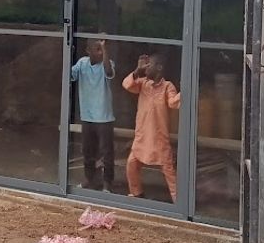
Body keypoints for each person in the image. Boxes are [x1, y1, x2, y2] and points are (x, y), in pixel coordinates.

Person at [122, 54, 181, 203]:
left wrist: (186, 89)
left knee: (169, 171)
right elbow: (127, 85)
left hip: (159, 137)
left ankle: (179, 202)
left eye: (150, 65)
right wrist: (137, 70)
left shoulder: (168, 86)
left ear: (159, 68)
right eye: (145, 65)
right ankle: (137, 194)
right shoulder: (142, 84)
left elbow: (174, 103)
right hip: (142, 136)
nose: (146, 68)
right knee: (132, 164)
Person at [70, 39, 116, 191]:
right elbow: (71, 75)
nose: (101, 52)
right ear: (88, 51)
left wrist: (105, 50)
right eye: (97, 49)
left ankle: (107, 183)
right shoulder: (82, 63)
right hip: (87, 116)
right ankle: (90, 180)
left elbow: (109, 72)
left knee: (106, 153)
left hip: (104, 117)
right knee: (88, 151)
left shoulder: (107, 63)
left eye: (102, 49)